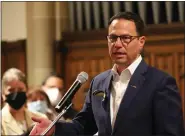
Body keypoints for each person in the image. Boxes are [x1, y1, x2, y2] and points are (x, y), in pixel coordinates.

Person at [29, 12, 184, 136]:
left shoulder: (160, 83)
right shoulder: (99, 82)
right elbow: (84, 125)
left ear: (141, 41)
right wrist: (54, 128)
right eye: (113, 38)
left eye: (125, 38)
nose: (117, 44)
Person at [1, 68, 47, 136]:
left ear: (27, 90)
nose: (16, 93)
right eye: (11, 90)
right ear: (3, 93)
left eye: (20, 89)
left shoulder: (41, 118)